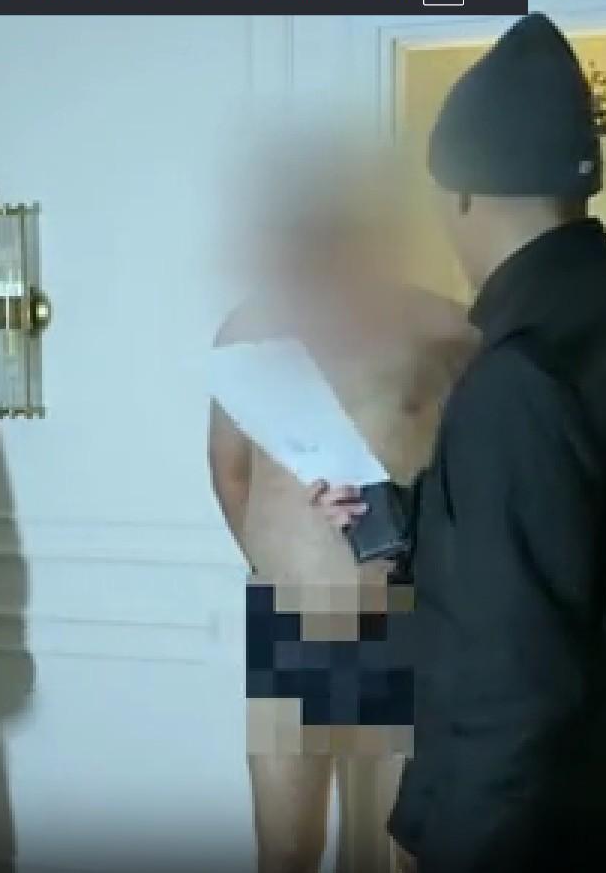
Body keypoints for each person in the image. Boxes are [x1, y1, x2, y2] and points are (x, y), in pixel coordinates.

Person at [313, 13, 606, 873]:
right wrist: (399, 520)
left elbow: (512, 666)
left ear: (460, 191)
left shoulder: (520, 366)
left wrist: (452, 837)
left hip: (521, 828)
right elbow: (578, 541)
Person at [211, 145, 474, 873]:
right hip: (292, 619)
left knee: (399, 846)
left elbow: (482, 465)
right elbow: (229, 469)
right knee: (285, 847)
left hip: (402, 614)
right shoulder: (249, 329)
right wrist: (275, 568)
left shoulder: (442, 329)